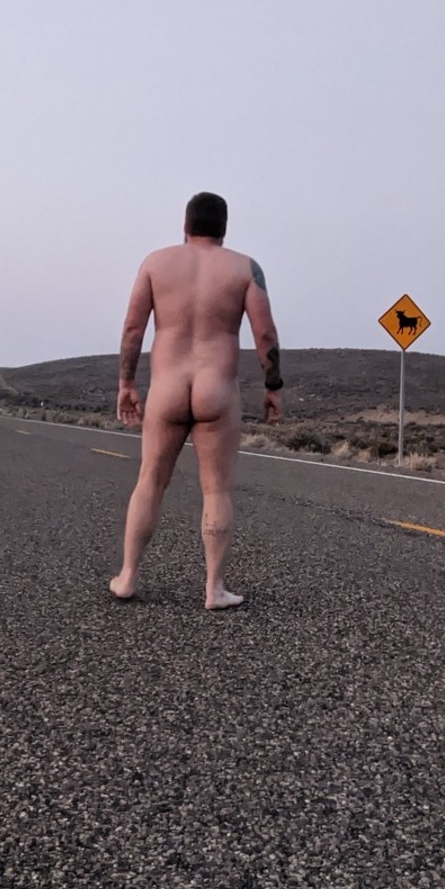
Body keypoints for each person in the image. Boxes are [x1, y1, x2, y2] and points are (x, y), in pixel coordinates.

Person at [109, 192, 283, 609]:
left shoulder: (156, 263)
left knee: (150, 482)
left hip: (167, 388)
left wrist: (127, 382)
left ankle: (128, 576)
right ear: (224, 229)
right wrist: (273, 387)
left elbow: (133, 328)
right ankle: (214, 589)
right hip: (216, 390)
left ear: (185, 225)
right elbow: (265, 334)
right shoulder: (244, 268)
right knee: (216, 489)